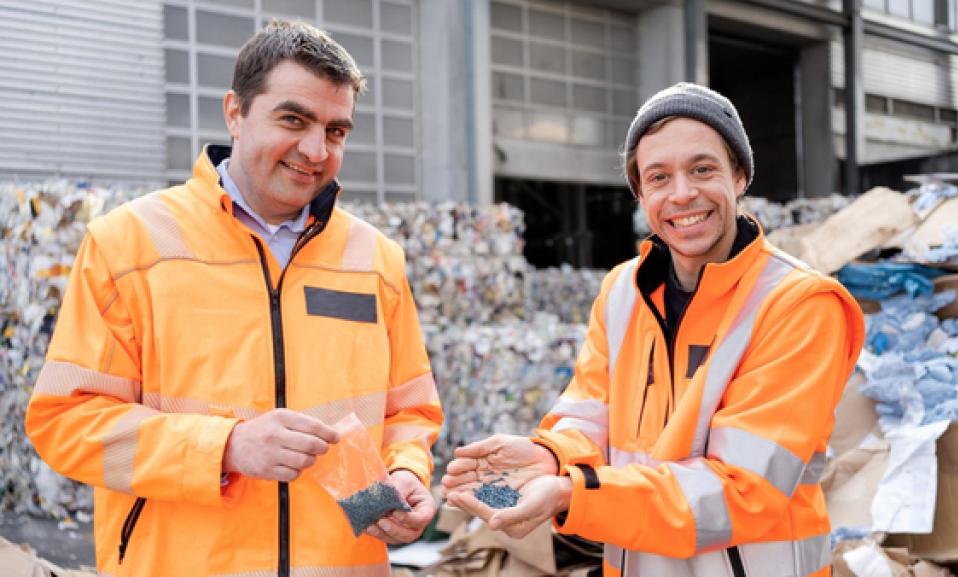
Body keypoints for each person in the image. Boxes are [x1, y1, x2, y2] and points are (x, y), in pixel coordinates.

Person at [25, 20, 442, 577]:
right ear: (235, 113)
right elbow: (66, 420)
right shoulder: (128, 243)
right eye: (293, 119)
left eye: (336, 131)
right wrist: (225, 447)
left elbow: (407, 410)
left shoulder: (375, 260)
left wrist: (408, 472)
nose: (315, 150)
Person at [443, 83, 865, 577]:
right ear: (641, 194)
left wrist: (573, 494)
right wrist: (549, 456)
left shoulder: (800, 304)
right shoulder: (623, 291)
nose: (682, 193)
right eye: (659, 177)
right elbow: (590, 411)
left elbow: (745, 490)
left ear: (739, 175)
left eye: (702, 169)